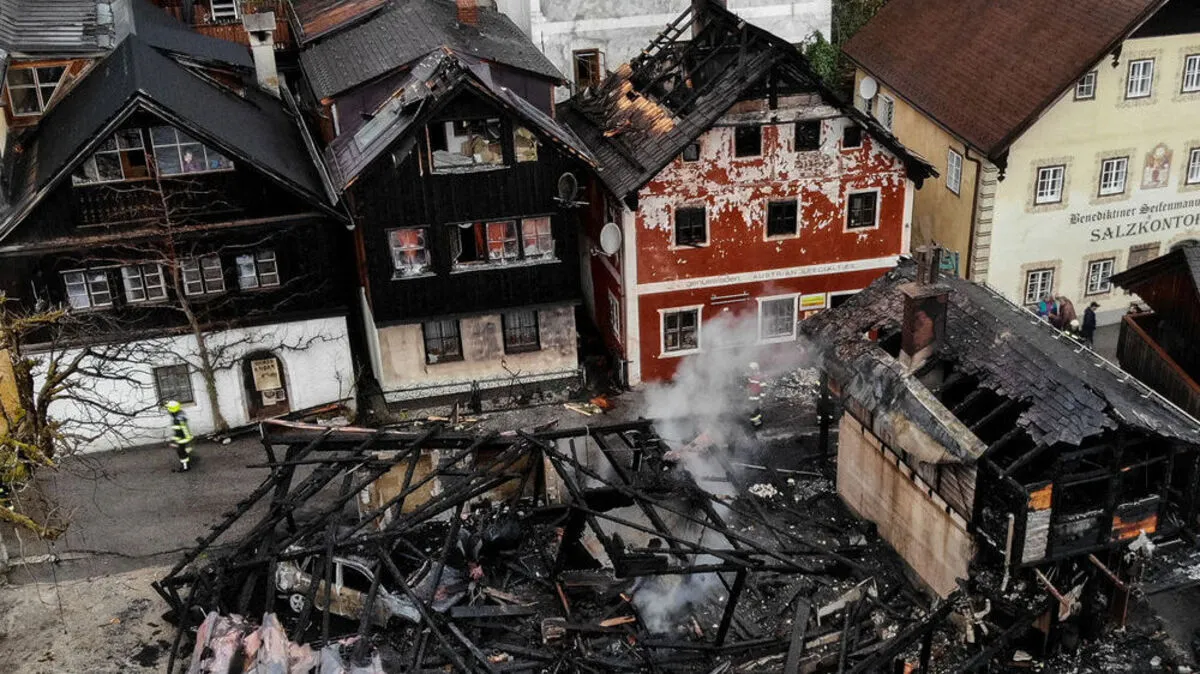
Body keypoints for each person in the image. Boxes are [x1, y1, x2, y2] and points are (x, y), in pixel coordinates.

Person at [165, 400, 194, 472]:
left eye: (168, 409)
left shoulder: (177, 420)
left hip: (183, 439)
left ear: (172, 410)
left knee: (181, 453)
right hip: (186, 438)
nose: (168, 411)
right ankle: (187, 461)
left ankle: (185, 467)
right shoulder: (180, 416)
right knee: (183, 451)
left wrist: (174, 441)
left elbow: (179, 433)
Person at [747, 362, 764, 429]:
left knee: (755, 413)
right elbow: (749, 386)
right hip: (751, 398)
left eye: (751, 369)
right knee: (752, 413)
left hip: (756, 399)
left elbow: (762, 388)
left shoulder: (760, 376)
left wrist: (761, 399)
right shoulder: (751, 376)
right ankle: (755, 425)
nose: (750, 370)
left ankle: (758, 426)